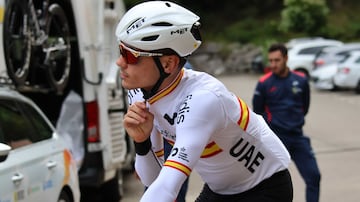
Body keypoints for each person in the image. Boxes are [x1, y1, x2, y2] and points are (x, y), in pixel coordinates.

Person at [117, 1, 293, 201]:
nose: (119, 62)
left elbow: (168, 187)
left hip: (265, 185)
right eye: (120, 50)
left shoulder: (202, 100)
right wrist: (141, 142)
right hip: (220, 189)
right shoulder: (140, 93)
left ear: (168, 63)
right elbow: (153, 180)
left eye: (130, 55)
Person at [252, 43, 321, 202]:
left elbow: (305, 106)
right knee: (265, 184)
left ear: (286, 59)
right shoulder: (264, 83)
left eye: (277, 60)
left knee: (314, 176)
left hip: (297, 137)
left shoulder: (301, 80)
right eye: (271, 61)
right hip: (275, 139)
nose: (273, 64)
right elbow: (258, 113)